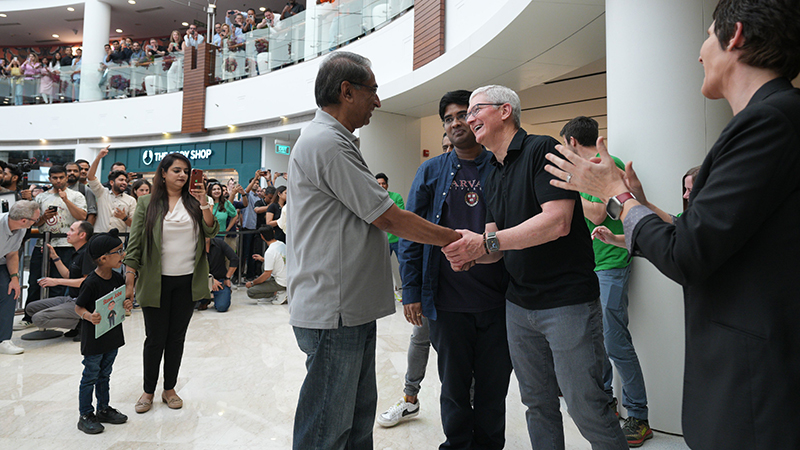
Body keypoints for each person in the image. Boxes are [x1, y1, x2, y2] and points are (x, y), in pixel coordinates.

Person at [543, 1, 800, 448]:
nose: (700, 53)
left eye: (706, 36)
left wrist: (617, 197)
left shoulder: (768, 121)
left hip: (755, 387)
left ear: (735, 36)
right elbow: (700, 233)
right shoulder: (772, 118)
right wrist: (637, 206)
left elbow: (688, 255)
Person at [287, 51, 461, 450]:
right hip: (335, 310)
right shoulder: (326, 142)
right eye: (373, 91)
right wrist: (456, 240)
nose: (378, 102)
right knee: (326, 430)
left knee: (357, 420)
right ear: (347, 91)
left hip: (350, 308)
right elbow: (389, 218)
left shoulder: (335, 140)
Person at [442, 85, 628, 450]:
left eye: (476, 109)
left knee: (587, 407)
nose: (468, 118)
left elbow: (557, 221)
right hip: (519, 306)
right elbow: (494, 246)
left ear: (506, 110)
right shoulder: (491, 172)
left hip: (567, 304)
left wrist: (486, 243)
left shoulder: (542, 149)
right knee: (537, 406)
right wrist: (470, 251)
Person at [384, 90, 512, 449]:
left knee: (493, 389)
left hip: (498, 302)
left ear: (476, 120)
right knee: (454, 389)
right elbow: (409, 233)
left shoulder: (500, 166)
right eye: (448, 119)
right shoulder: (431, 170)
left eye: (462, 115)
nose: (456, 123)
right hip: (448, 302)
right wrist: (410, 290)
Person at [559, 116, 652, 446]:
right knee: (596, 342)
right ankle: (607, 406)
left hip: (612, 263)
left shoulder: (605, 164)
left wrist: (568, 189)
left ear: (571, 142)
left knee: (615, 342)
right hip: (592, 265)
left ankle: (638, 416)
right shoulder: (590, 170)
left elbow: (598, 214)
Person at [123, 153, 219, 414]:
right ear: (163, 173)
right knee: (155, 338)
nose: (182, 175)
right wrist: (129, 281)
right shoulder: (146, 203)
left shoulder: (196, 201)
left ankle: (170, 389)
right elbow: (135, 244)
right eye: (176, 170)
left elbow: (211, 231)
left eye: (186, 171)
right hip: (156, 281)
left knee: (176, 338)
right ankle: (148, 390)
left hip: (187, 281)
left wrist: (204, 204)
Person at [73, 228, 132, 434]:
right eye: (119, 251)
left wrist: (126, 305)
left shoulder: (117, 278)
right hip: (95, 340)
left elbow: (119, 301)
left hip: (112, 336)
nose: (122, 255)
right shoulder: (90, 282)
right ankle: (85, 414)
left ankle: (103, 409)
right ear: (104, 258)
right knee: (90, 374)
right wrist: (89, 316)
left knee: (105, 374)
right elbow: (78, 307)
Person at [18, 165, 88, 330]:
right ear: (49, 179)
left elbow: (83, 217)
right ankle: (29, 317)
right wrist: (43, 218)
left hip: (66, 245)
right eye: (54, 178)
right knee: (35, 280)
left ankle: (50, 318)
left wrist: (65, 200)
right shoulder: (41, 198)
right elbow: (33, 222)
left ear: (65, 178)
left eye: (61, 177)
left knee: (60, 283)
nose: (58, 181)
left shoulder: (76, 196)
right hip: (43, 243)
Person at [26, 221, 94, 338]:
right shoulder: (77, 253)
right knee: (31, 308)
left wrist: (56, 281)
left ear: (82, 235)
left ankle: (83, 323)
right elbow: (68, 275)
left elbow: (86, 282)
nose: (68, 233)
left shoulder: (88, 253)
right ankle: (77, 324)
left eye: (72, 230)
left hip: (83, 302)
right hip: (70, 298)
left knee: (39, 318)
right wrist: (54, 256)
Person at [0, 201, 39, 355]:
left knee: (10, 291)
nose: (35, 223)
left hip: (2, 262)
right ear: (24, 220)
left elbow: (12, 254)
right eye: (35, 220)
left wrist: (15, 278)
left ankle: (4, 340)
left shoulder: (21, 229)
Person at [374, 172, 404, 299]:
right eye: (378, 184)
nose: (381, 186)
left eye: (383, 183)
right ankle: (383, 293)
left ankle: (407, 291)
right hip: (381, 239)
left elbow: (399, 217)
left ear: (387, 185)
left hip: (396, 239)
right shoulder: (371, 198)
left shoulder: (396, 197)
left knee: (404, 265)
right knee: (380, 268)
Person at [245, 226, 287, 304]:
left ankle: (279, 292)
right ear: (274, 232)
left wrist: (252, 283)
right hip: (287, 278)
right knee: (264, 265)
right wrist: (263, 259)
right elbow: (279, 260)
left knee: (251, 291)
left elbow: (266, 275)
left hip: (281, 282)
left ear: (262, 236)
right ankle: (276, 292)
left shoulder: (270, 252)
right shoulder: (282, 244)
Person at [199, 237, 238, 312]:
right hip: (201, 280)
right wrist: (210, 280)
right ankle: (205, 299)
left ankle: (221, 294)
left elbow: (234, 258)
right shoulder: (194, 246)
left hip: (220, 280)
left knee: (222, 307)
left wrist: (228, 277)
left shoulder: (219, 243)